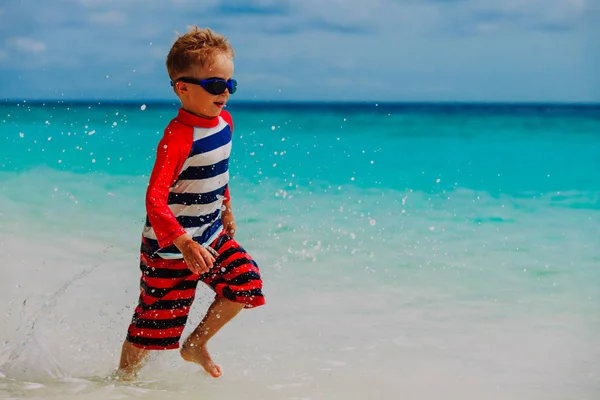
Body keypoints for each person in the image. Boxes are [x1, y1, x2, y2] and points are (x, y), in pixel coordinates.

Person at [116, 26, 265, 380]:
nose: (225, 93)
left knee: (245, 284)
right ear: (182, 88)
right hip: (170, 248)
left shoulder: (225, 122)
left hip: (211, 234)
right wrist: (183, 242)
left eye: (231, 84)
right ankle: (122, 383)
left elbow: (219, 170)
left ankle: (196, 343)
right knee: (152, 325)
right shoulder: (178, 137)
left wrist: (227, 208)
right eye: (215, 85)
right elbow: (154, 199)